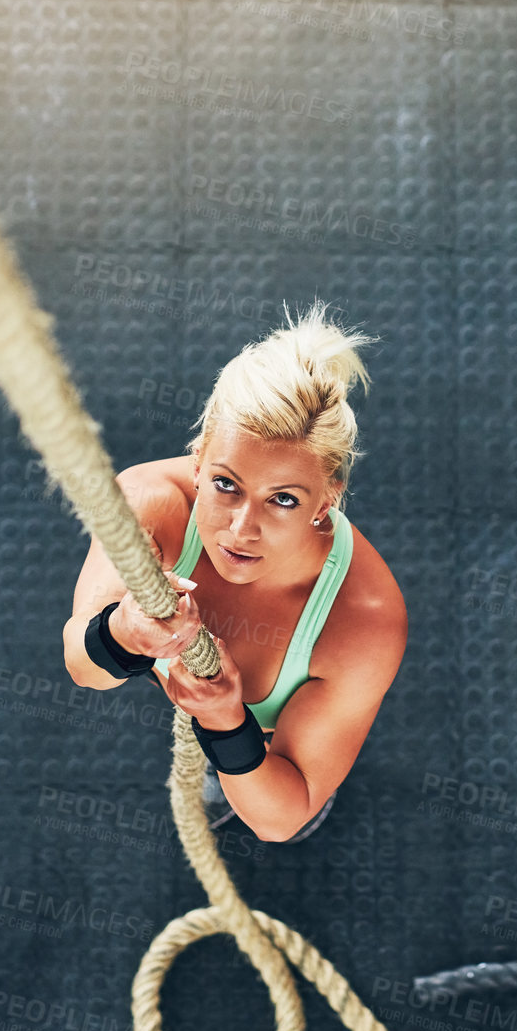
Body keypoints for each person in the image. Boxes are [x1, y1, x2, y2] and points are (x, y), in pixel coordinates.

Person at [61, 302, 408, 843]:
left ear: (326, 503)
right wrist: (124, 631)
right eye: (225, 484)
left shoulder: (364, 621)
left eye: (284, 499)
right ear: (198, 461)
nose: (241, 529)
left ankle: (256, 752)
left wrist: (226, 721)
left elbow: (281, 818)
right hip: (213, 721)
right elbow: (85, 667)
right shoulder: (148, 504)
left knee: (278, 797)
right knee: (224, 771)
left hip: (261, 740)